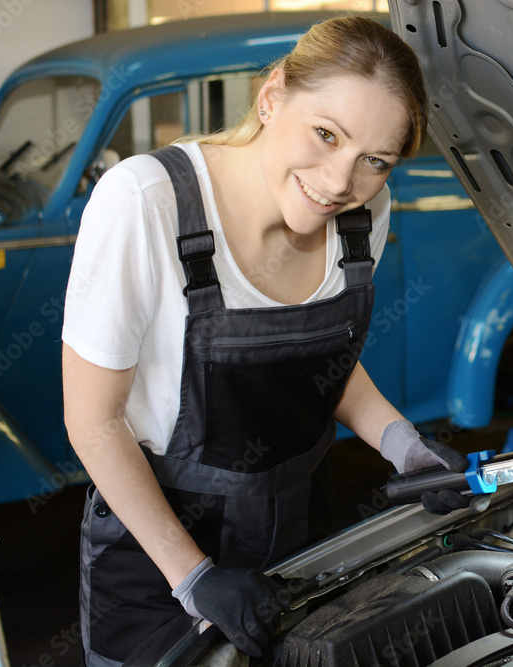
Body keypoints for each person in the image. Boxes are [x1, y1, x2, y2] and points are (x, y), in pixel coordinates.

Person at [61, 16, 475, 665]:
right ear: (273, 94)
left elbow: (322, 361)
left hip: (302, 539)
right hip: (155, 564)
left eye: (375, 160)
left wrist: (406, 447)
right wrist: (194, 577)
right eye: (325, 133)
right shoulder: (146, 202)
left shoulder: (366, 211)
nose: (341, 181)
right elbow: (92, 420)